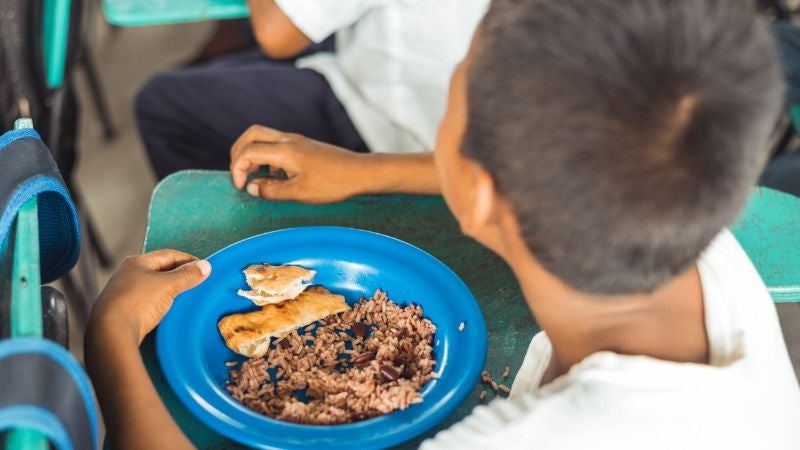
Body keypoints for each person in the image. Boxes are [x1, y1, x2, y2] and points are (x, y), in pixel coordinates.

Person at [88, 0, 800, 448]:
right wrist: (364, 170)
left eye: (452, 93)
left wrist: (111, 338)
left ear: (486, 190)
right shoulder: (704, 239)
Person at [135, 0, 489, 179]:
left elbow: (276, 34)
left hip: (393, 129)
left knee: (161, 104)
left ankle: (231, 258)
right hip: (440, 94)